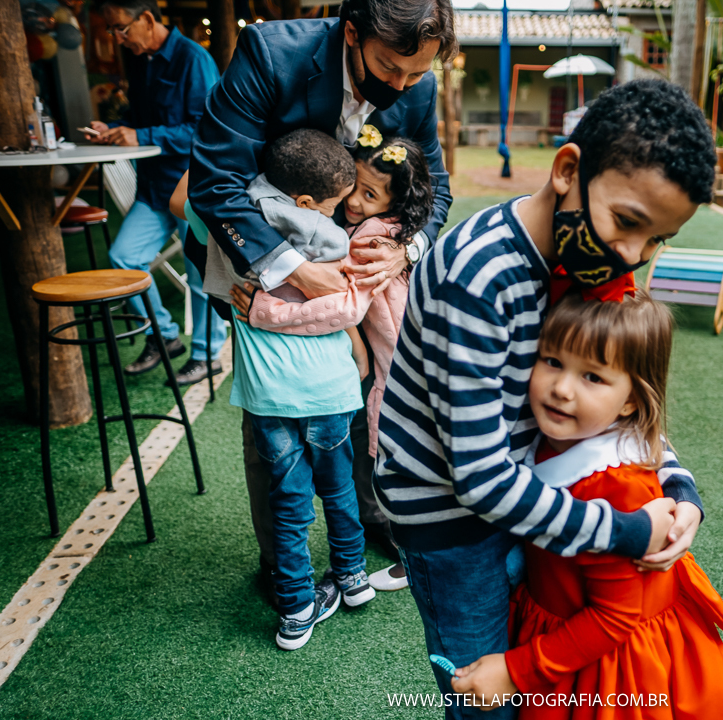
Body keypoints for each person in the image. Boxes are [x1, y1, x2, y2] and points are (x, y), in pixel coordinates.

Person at [374, 79, 716, 719]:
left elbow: (622, 396)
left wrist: (679, 488)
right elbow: (479, 479)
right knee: (486, 698)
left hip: (531, 495)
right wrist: (626, 532)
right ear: (567, 171)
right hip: (454, 526)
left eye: (656, 240)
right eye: (628, 223)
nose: (633, 257)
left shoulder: (587, 258)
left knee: (535, 677)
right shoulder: (478, 277)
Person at [187, 0, 458, 592]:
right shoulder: (270, 54)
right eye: (390, 68)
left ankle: (369, 520)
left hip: (360, 276)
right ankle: (284, 566)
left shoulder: (417, 85)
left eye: (416, 74)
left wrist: (406, 250)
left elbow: (435, 189)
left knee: (365, 386)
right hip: (261, 262)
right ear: (352, 33)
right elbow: (214, 180)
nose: (402, 86)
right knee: (278, 405)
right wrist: (295, 270)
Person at [452, 287, 723, 719]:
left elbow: (614, 617)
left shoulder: (615, 487)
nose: (561, 389)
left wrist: (518, 671)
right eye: (552, 361)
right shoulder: (556, 435)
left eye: (592, 376)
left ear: (631, 400)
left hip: (607, 666)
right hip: (566, 628)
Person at [217, 129, 381, 650]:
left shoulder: (237, 245)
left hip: (270, 398)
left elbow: (188, 199)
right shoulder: (336, 256)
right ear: (307, 204)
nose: (338, 214)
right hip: (331, 390)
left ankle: (295, 607)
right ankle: (352, 576)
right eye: (332, 206)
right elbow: (347, 310)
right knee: (339, 491)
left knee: (289, 506)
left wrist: (263, 311)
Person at [88, 0, 226, 385]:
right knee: (123, 257)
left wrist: (141, 135)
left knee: (200, 275)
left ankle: (206, 355)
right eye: (111, 30)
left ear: (147, 19)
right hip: (152, 188)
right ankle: (163, 334)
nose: (117, 38)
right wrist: (114, 128)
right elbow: (140, 119)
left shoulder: (193, 59)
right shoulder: (137, 59)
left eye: (120, 28)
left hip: (190, 187)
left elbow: (205, 128)